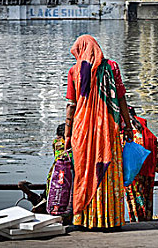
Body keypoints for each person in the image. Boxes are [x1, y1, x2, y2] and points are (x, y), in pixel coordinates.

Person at [65, 34, 133, 230]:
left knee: (85, 172)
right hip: (108, 130)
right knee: (107, 171)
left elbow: (71, 105)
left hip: (82, 132)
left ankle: (85, 220)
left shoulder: (74, 71)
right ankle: (110, 220)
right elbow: (121, 99)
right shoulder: (112, 67)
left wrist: (68, 135)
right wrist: (128, 126)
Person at [123, 106, 158, 221]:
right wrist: (157, 167)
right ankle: (148, 220)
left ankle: (137, 221)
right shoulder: (143, 126)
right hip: (148, 168)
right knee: (147, 199)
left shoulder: (126, 128)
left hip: (133, 171)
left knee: (135, 199)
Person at [18, 123, 68, 214]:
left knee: (52, 191)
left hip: (56, 174)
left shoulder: (56, 143)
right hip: (63, 175)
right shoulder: (67, 143)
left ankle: (40, 201)